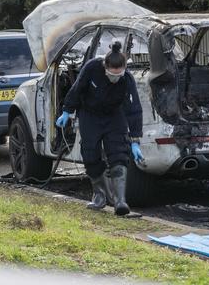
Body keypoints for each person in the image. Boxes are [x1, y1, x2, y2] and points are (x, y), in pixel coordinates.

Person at [56, 41, 143, 216]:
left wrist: (135, 140)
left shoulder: (127, 80)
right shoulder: (92, 68)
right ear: (105, 67)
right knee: (90, 153)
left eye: (119, 75)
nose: (115, 78)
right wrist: (67, 111)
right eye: (112, 75)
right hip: (90, 115)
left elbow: (134, 109)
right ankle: (99, 195)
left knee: (119, 152)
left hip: (114, 116)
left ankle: (120, 201)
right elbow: (77, 89)